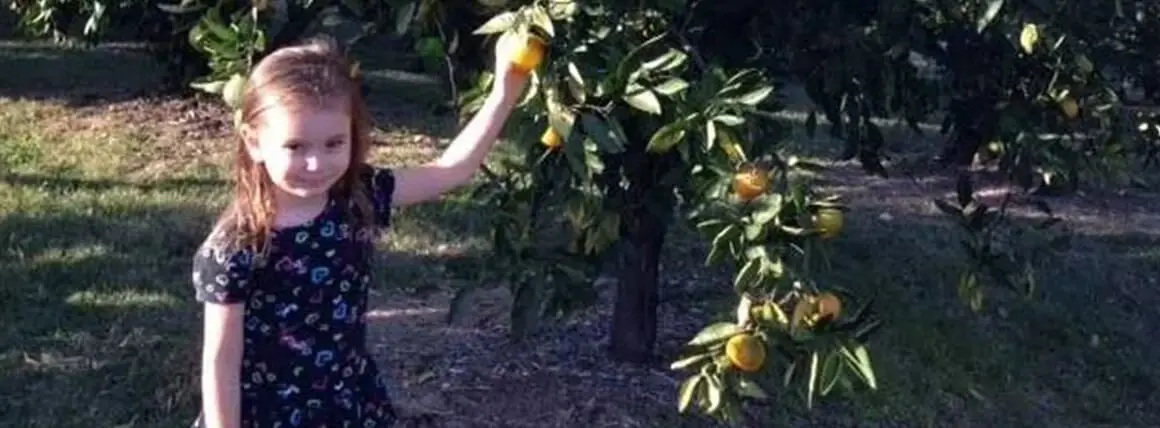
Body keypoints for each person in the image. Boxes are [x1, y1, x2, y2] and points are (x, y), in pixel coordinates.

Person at [189, 34, 529, 427]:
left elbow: (449, 171)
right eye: (295, 146)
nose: (316, 163)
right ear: (254, 142)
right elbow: (221, 363)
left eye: (334, 143)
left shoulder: (356, 199)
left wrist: (504, 92)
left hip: (348, 402)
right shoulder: (236, 248)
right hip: (270, 415)